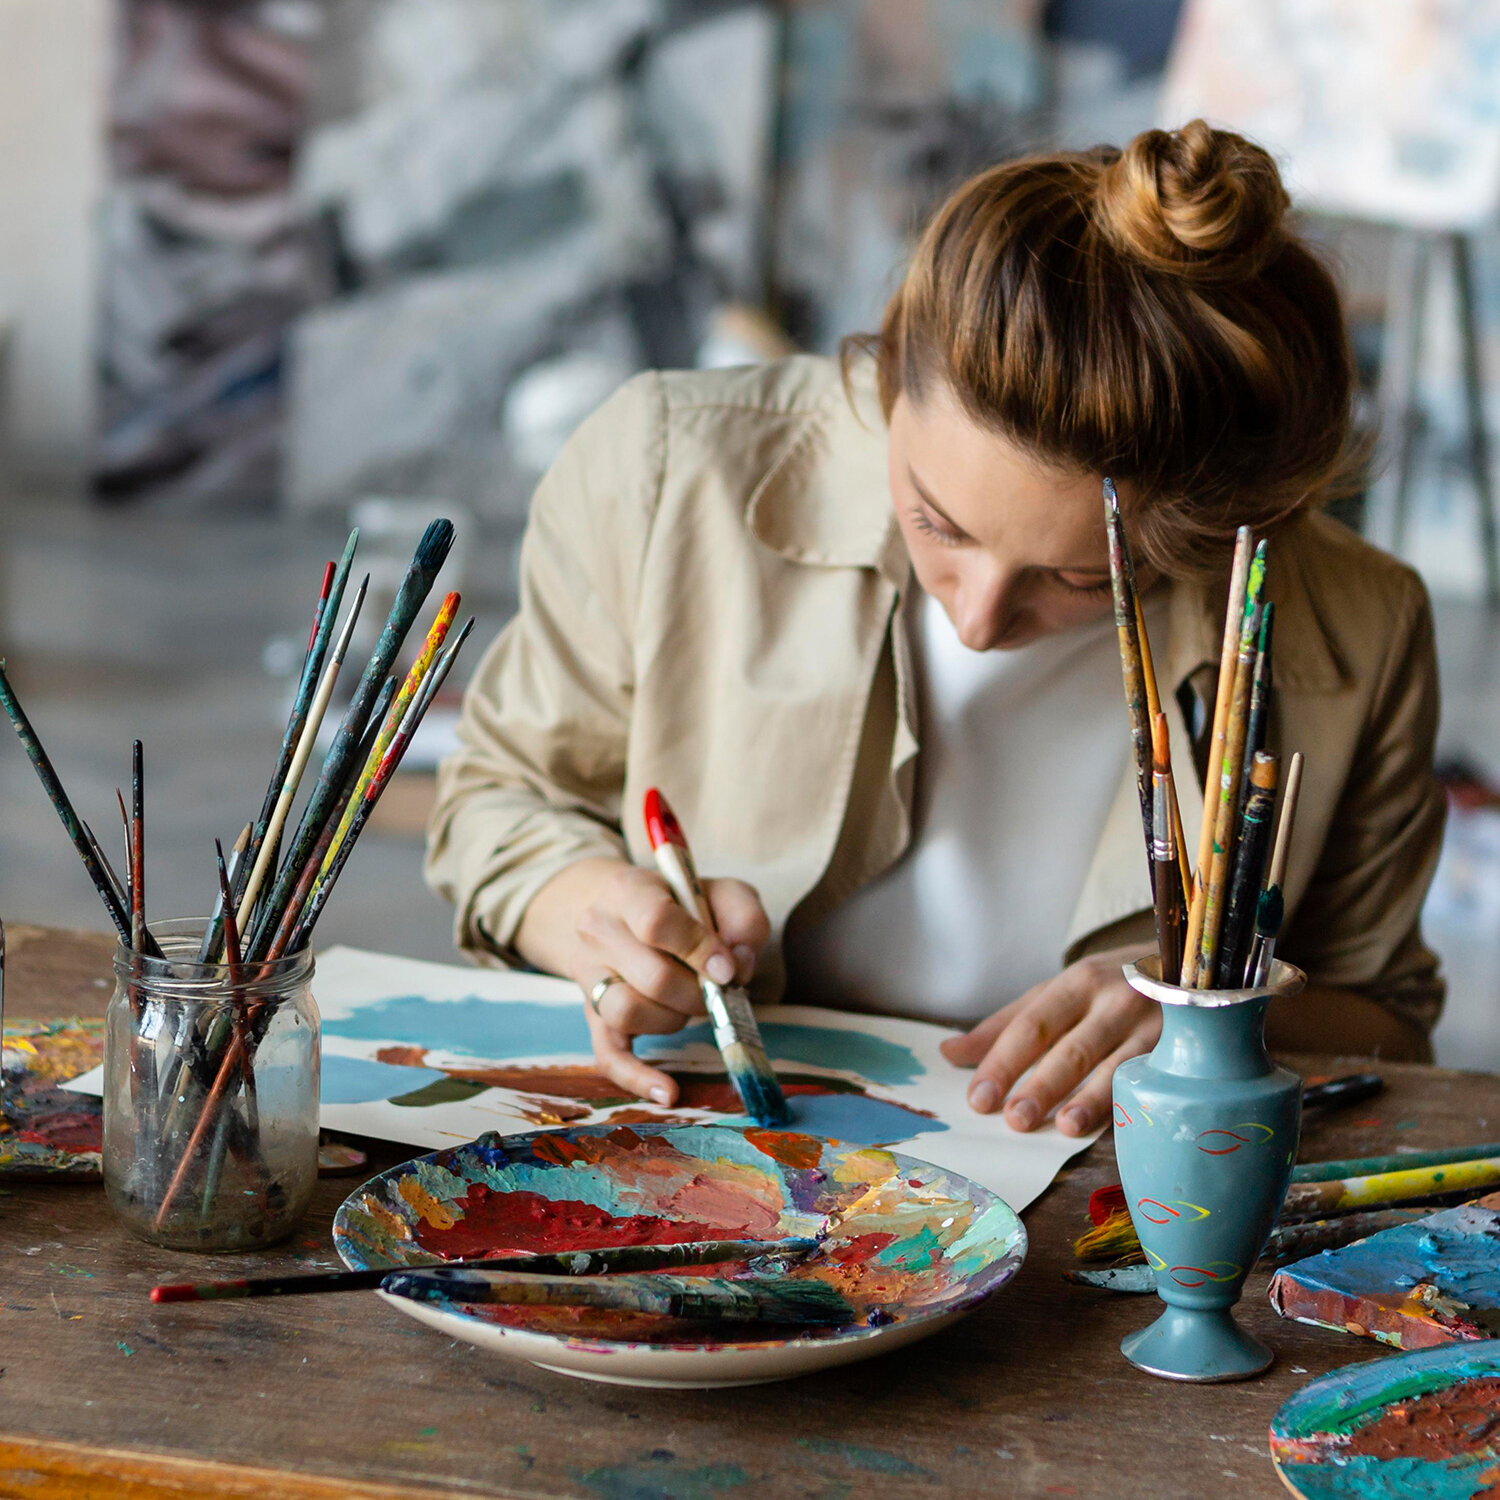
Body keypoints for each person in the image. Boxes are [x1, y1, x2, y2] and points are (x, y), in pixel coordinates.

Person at [426, 121, 1446, 1140]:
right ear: (888, 377)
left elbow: (1387, 1022)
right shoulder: (667, 471)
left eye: (1083, 580)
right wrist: (587, 911)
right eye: (937, 523)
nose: (977, 617)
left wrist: (1217, 1014)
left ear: (1216, 535)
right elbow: (497, 798)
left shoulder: (1357, 627)